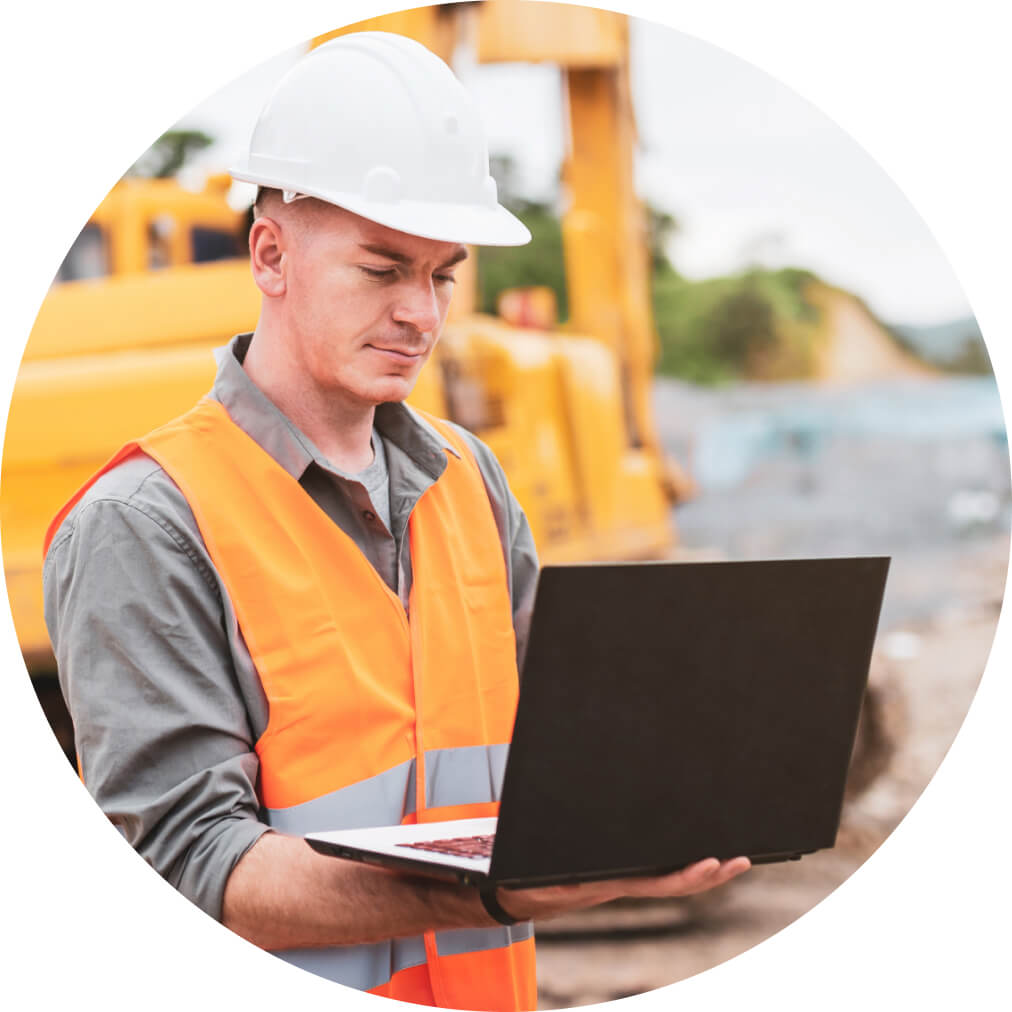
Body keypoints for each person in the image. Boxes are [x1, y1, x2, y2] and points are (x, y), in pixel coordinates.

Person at [42, 32, 749, 1011]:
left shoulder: (473, 480)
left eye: (442, 274)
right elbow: (191, 870)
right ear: (270, 254)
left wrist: (680, 782)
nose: (421, 313)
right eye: (382, 270)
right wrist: (500, 892)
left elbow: (561, 749)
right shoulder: (145, 524)